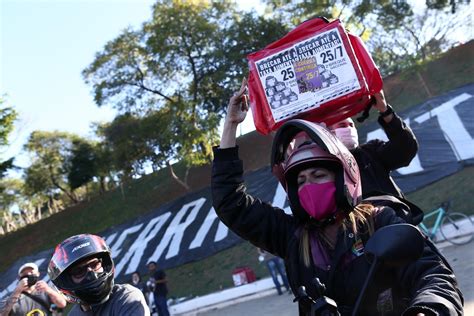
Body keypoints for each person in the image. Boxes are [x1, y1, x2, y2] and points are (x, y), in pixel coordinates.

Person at [211, 79, 463, 315]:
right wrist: (231, 126)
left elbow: (434, 276)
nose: (308, 185)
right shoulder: (292, 237)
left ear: (344, 179)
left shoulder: (379, 221)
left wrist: (427, 309)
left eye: (318, 175)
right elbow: (230, 203)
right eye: (300, 181)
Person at [327, 91, 418, 199]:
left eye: (351, 125)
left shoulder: (371, 152)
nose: (348, 129)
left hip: (394, 212)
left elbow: (405, 148)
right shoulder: (323, 166)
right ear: (327, 133)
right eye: (342, 125)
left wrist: (385, 110)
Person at [48, 234, 149, 315]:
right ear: (67, 281)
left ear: (104, 264)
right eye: (79, 271)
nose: (91, 274)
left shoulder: (125, 297)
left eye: (94, 264)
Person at [0, 262, 67, 316]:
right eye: (25, 273)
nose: (28, 274)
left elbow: (62, 304)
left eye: (31, 272)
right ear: (19, 278)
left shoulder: (46, 289)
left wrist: (48, 290)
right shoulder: (10, 296)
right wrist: (17, 291)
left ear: (38, 274)